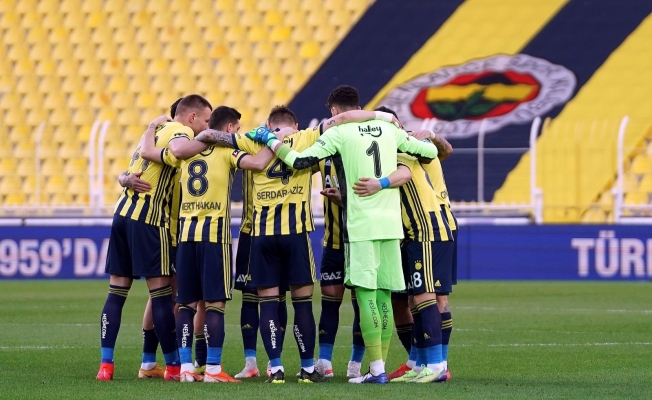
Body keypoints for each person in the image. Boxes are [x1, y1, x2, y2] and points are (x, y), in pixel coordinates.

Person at [246, 101, 439, 384]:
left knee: (366, 296)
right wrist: (426, 134)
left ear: (336, 114)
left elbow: (298, 161)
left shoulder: (340, 133)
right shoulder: (389, 129)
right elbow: (431, 152)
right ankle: (377, 368)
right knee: (384, 297)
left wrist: (271, 140)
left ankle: (376, 370)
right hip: (391, 225)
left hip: (361, 225)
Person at [140, 106, 275, 383]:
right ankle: (213, 368)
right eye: (236, 129)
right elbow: (259, 163)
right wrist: (277, 141)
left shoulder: (185, 153)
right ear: (229, 129)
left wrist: (151, 128)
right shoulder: (226, 151)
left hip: (186, 236)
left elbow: (149, 152)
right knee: (215, 304)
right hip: (214, 237)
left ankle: (186, 368)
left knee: (186, 304)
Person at [96, 94, 212, 381]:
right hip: (150, 220)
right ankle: (173, 367)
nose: (206, 127)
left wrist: (124, 178)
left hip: (122, 214)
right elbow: (177, 151)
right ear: (192, 117)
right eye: (206, 121)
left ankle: (106, 366)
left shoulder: (155, 130)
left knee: (116, 293)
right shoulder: (181, 132)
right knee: (162, 296)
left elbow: (133, 169)